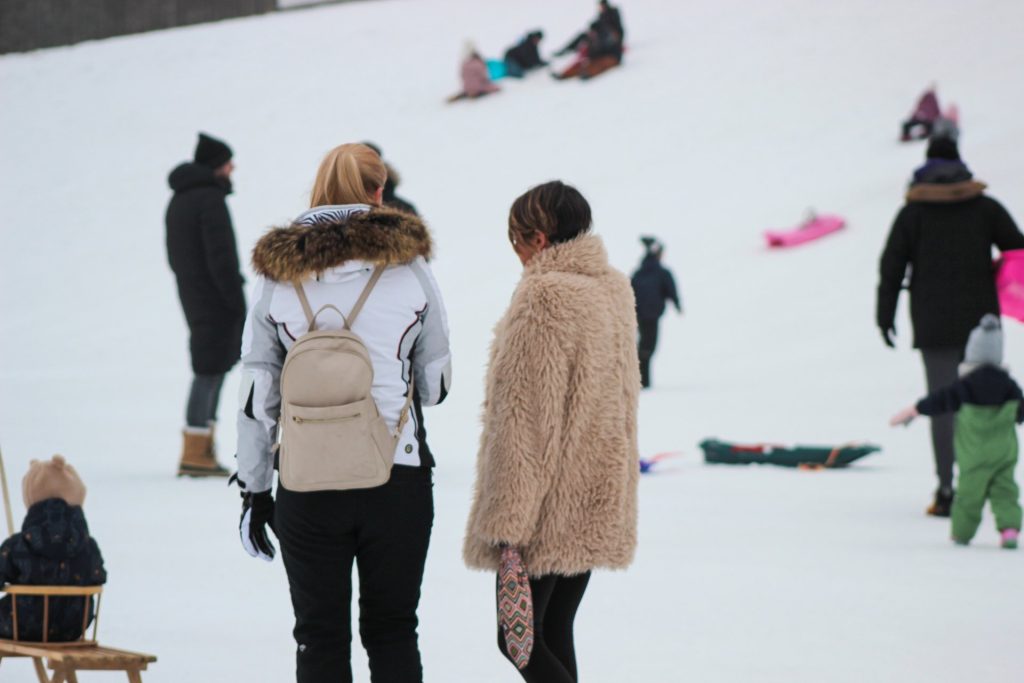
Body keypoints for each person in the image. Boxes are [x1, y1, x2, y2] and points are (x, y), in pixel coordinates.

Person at [235, 143, 451, 683]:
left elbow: (256, 396)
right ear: (379, 193)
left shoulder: (276, 281)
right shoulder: (411, 271)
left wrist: (256, 489)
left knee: (319, 636)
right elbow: (435, 385)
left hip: (306, 486)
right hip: (395, 478)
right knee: (393, 629)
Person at [464, 181, 639, 683]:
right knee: (555, 627)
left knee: (516, 639)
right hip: (596, 495)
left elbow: (524, 420)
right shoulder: (612, 289)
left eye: (515, 240)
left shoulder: (545, 296)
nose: (515, 253)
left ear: (538, 239)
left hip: (542, 509)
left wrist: (507, 523)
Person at [877, 137, 1024, 517]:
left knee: (943, 404)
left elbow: (891, 268)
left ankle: (947, 491)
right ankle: (992, 486)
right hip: (982, 322)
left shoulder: (912, 214)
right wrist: (997, 276)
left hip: (933, 321)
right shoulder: (985, 207)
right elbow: (1018, 248)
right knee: (986, 401)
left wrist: (885, 314)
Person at [890, 315, 1022, 549]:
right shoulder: (1009, 385)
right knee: (1005, 491)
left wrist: (915, 410)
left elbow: (940, 401)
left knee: (969, 495)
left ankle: (961, 534)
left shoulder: (965, 386)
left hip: (974, 454)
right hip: (1004, 453)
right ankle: (1010, 530)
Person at [166, 132, 245, 477]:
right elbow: (222, 257)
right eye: (228, 163)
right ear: (216, 166)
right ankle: (197, 453)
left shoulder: (180, 200)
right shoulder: (209, 200)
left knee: (209, 368)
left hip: (194, 295)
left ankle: (200, 449)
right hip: (215, 300)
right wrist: (236, 301)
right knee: (210, 371)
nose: (232, 168)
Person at [0, 456, 106, 641]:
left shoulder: (20, 544)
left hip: (22, 625)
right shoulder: (88, 545)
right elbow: (99, 576)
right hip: (73, 627)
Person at [631, 236, 682, 389]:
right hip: (652, 315)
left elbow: (629, 291)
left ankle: (641, 380)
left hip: (639, 314)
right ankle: (643, 381)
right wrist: (677, 303)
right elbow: (670, 289)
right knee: (648, 347)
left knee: (644, 346)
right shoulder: (661, 272)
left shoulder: (638, 273)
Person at [552, 23, 623, 81]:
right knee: (581, 64)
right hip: (599, 57)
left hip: (612, 58)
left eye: (592, 32)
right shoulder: (594, 39)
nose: (591, 33)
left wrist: (593, 50)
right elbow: (593, 53)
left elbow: (605, 50)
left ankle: (588, 74)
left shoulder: (607, 37)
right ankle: (563, 75)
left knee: (599, 63)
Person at [555, 1, 625, 56]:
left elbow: (612, 26)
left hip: (612, 36)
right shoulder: (602, 14)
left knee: (594, 42)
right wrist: (592, 28)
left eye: (601, 6)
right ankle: (568, 49)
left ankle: (589, 52)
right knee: (582, 35)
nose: (600, 8)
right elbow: (596, 23)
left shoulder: (613, 12)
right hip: (602, 35)